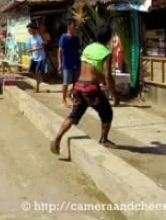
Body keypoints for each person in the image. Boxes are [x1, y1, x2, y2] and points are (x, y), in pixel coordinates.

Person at [51, 25, 119, 155]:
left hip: (79, 86)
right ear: (109, 38)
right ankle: (104, 139)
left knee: (73, 115)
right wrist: (114, 95)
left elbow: (83, 70)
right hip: (91, 89)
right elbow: (108, 76)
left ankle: (57, 138)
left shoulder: (88, 48)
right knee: (107, 113)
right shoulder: (106, 53)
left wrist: (74, 86)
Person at [58, 18, 81, 107]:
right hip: (66, 63)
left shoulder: (76, 38)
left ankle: (70, 94)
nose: (75, 27)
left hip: (76, 62)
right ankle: (63, 100)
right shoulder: (64, 37)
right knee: (66, 82)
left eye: (75, 26)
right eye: (74, 25)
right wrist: (60, 63)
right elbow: (60, 51)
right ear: (69, 26)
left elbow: (78, 50)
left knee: (76, 82)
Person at [27, 23, 46, 93]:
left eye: (29, 30)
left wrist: (33, 50)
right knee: (30, 71)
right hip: (34, 57)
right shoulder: (30, 38)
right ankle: (39, 79)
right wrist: (28, 49)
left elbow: (42, 47)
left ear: (33, 30)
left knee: (38, 72)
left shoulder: (38, 37)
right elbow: (29, 46)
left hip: (40, 57)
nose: (28, 31)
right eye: (28, 30)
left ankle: (37, 88)